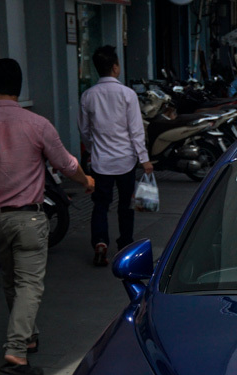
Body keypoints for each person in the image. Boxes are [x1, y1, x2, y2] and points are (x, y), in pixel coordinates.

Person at [0, 58, 94, 375]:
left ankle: (28, 337)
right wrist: (86, 181)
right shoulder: (38, 125)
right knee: (29, 284)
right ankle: (17, 350)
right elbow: (66, 164)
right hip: (29, 220)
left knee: (10, 280)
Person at [79, 45, 152, 268]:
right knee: (126, 204)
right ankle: (126, 244)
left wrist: (93, 150)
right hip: (126, 161)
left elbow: (84, 130)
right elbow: (136, 130)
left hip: (101, 163)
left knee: (101, 204)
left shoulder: (88, 95)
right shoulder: (128, 95)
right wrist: (144, 158)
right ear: (115, 67)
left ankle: (100, 242)